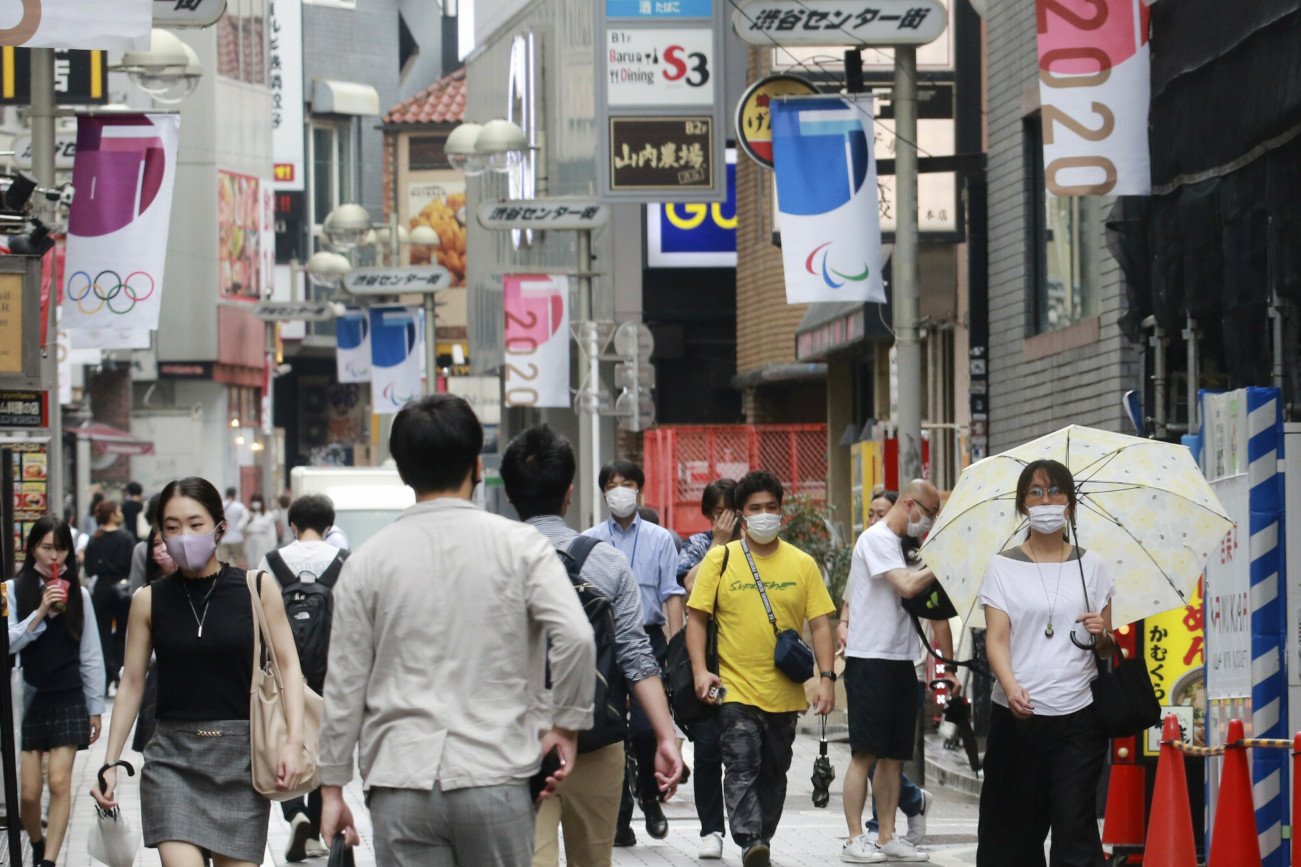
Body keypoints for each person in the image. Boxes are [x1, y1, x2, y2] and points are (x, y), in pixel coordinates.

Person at [319, 395, 596, 866]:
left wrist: (331, 787)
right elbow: (576, 637)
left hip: (400, 780)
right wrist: (565, 726)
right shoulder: (521, 546)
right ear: (476, 464)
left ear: (403, 472)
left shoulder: (367, 562)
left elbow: (345, 683)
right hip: (496, 774)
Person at [90, 476, 308, 866]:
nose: (183, 536)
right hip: (172, 762)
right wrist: (110, 761)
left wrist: (293, 742)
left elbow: (289, 667)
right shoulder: (148, 600)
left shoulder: (257, 588)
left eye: (195, 524)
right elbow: (132, 682)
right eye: (171, 528)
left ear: (220, 528)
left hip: (242, 761)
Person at [500, 424, 683, 867]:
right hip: (597, 739)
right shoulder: (606, 561)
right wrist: (666, 736)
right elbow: (636, 657)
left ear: (509, 494)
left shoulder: (491, 557)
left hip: (514, 746)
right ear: (569, 493)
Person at [687, 470, 837, 867]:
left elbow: (821, 622)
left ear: (781, 511)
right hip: (734, 691)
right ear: (741, 514)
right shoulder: (720, 560)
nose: (765, 515)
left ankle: (761, 840)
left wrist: (827, 678)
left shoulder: (802, 564)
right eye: (755, 508)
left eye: (771, 507)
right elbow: (696, 618)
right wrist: (701, 672)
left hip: (785, 695)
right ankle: (750, 838)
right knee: (740, 765)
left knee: (773, 773)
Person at [977, 459, 1115, 866]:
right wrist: (1011, 684)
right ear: (1023, 506)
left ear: (1070, 504)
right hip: (1017, 716)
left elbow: (1106, 648)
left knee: (1074, 826)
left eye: (1055, 491)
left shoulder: (1093, 567)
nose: (1046, 500)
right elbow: (997, 640)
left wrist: (1102, 634)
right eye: (1035, 492)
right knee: (1013, 832)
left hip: (1079, 716)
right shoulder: (1001, 567)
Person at [839, 480, 952, 863]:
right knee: (864, 754)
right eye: (930, 512)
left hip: (903, 661)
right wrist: (939, 558)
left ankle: (887, 835)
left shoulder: (908, 546)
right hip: (870, 659)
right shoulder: (876, 539)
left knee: (893, 757)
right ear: (910, 504)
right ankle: (855, 838)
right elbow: (905, 585)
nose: (930, 520)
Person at [583, 459, 685, 846]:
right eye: (611, 484)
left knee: (646, 727)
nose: (619, 490)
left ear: (640, 489)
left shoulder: (661, 539)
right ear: (603, 492)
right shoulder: (588, 540)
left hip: (648, 639)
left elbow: (672, 596)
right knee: (612, 730)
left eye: (626, 483)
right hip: (604, 643)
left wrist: (677, 654)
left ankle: (651, 796)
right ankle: (619, 820)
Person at [254, 493, 347, 862]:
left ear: (293, 525)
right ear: (329, 526)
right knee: (320, 739)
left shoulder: (272, 561)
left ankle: (294, 814)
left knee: (286, 735)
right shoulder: (343, 561)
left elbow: (258, 613)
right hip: (331, 668)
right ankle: (312, 811)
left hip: (283, 667)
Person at [8, 518, 105, 867]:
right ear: (32, 547)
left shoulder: (79, 595)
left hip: (68, 695)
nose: (54, 556)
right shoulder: (10, 590)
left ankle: (49, 861)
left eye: (60, 548)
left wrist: (95, 708)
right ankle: (36, 841)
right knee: (29, 794)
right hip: (29, 698)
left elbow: (91, 653)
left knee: (61, 781)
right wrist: (40, 612)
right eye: (47, 547)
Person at [675, 478, 740, 858]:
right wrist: (717, 542)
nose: (725, 521)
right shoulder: (699, 545)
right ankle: (711, 829)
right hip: (706, 660)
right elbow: (689, 588)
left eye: (731, 514)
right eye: (718, 514)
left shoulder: (755, 548)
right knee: (708, 746)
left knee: (749, 748)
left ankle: (749, 824)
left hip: (746, 660)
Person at [84, 499, 135, 695]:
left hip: (102, 590)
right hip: (122, 589)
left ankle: (104, 676)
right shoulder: (126, 538)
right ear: (113, 514)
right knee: (123, 633)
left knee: (102, 634)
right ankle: (119, 674)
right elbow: (131, 564)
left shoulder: (94, 538)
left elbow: (89, 568)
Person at [243, 494, 278, 570]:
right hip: (251, 538)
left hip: (263, 539)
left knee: (261, 561)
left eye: (257, 501)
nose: (255, 503)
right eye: (253, 501)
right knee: (251, 561)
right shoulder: (248, 513)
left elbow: (272, 531)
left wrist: (273, 545)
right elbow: (241, 526)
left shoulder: (268, 514)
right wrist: (249, 519)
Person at [218, 487, 248, 566]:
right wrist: (239, 527)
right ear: (235, 495)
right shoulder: (239, 506)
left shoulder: (221, 505)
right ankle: (240, 577)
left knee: (223, 562)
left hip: (223, 538)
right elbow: (246, 517)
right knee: (239, 560)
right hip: (237, 537)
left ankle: (225, 577)